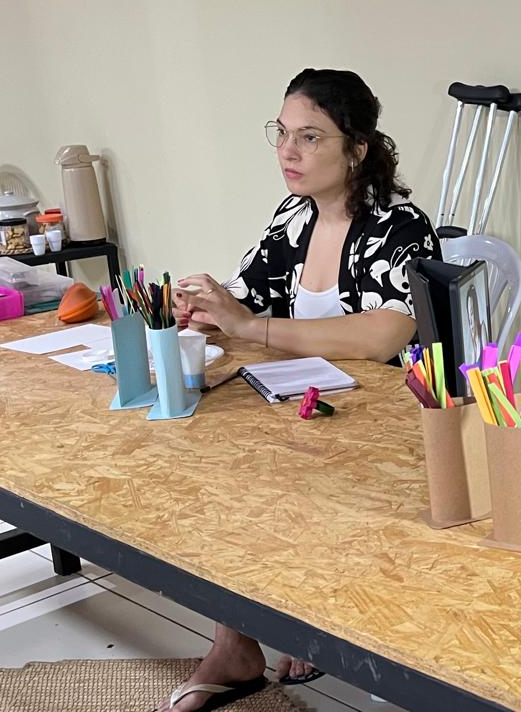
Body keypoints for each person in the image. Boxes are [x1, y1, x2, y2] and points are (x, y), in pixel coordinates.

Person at [161, 68, 440, 712]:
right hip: (301, 407)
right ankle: (236, 646)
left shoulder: (399, 227)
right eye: (282, 134)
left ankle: (305, 618)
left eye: (310, 137)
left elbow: (386, 334)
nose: (289, 151)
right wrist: (205, 305)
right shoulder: (292, 217)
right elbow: (248, 298)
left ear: (358, 148)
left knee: (274, 471)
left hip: (385, 423)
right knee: (220, 463)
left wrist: (249, 326)